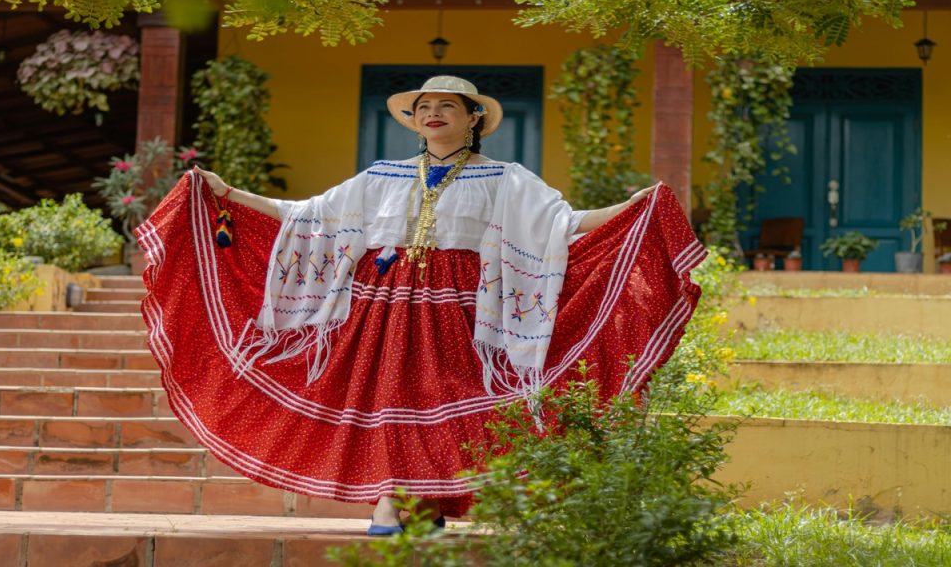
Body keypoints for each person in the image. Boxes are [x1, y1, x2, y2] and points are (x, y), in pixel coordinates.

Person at [137, 75, 705, 536]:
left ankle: (425, 504)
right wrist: (228, 194)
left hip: (459, 309)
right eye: (423, 106)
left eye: (446, 106)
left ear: (472, 118)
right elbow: (308, 215)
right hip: (383, 305)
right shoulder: (381, 176)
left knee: (449, 403)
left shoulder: (506, 178)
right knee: (390, 399)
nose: (433, 114)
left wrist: (631, 209)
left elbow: (562, 226)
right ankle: (391, 501)